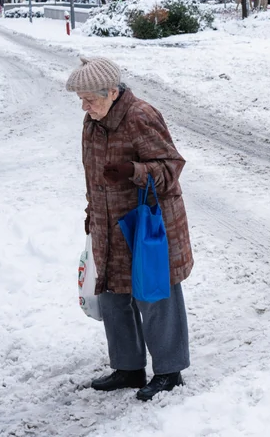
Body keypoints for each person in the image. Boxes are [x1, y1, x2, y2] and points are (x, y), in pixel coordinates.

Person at [66, 57, 194, 401]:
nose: (84, 106)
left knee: (154, 295)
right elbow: (93, 177)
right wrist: (92, 214)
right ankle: (128, 368)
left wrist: (132, 171)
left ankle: (169, 371)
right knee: (113, 297)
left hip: (147, 223)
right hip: (109, 224)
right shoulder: (92, 123)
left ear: (111, 92)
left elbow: (170, 168)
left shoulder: (140, 116)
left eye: (89, 99)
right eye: (80, 99)